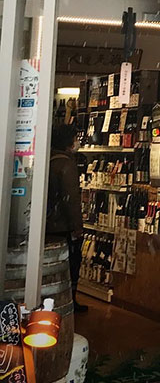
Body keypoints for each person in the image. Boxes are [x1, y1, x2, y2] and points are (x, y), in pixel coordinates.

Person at [46, 123, 88, 312]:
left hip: (48, 224)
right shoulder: (66, 164)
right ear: (69, 142)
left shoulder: (49, 160)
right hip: (63, 225)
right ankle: (68, 301)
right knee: (70, 264)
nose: (77, 142)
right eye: (75, 139)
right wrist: (77, 226)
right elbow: (71, 199)